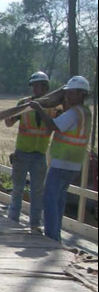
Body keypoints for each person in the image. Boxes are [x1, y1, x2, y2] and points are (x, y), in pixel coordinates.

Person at [28, 75, 92, 242]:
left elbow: (53, 125)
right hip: (75, 163)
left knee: (50, 198)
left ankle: (52, 236)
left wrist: (39, 108)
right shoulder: (86, 112)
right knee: (59, 199)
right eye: (67, 93)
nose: (68, 96)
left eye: (72, 93)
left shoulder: (73, 113)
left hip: (62, 162)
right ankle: (55, 233)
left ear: (81, 94)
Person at [4, 71, 52, 233]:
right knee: (17, 189)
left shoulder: (52, 105)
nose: (38, 89)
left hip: (39, 154)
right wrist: (7, 114)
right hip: (22, 153)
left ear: (46, 87)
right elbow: (9, 123)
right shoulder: (24, 104)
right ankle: (13, 220)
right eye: (35, 86)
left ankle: (34, 224)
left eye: (41, 86)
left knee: (37, 192)